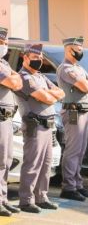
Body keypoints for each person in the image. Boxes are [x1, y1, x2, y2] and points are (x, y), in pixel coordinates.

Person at [16, 43, 65, 213]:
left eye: (41, 58)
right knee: (32, 164)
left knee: (46, 164)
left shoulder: (40, 76)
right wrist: (49, 96)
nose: (39, 60)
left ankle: (41, 197)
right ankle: (26, 200)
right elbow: (47, 98)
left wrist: (49, 95)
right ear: (25, 57)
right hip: (34, 126)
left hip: (48, 125)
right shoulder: (24, 78)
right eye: (35, 57)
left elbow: (61, 93)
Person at [57, 36, 88, 201]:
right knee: (73, 150)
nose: (81, 52)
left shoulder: (79, 68)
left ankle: (77, 184)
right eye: (78, 49)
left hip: (84, 112)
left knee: (81, 150)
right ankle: (68, 187)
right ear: (69, 49)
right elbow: (87, 86)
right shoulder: (66, 69)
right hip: (73, 113)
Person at [0, 27, 22, 216]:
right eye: (1, 43)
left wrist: (13, 78)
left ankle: (3, 199)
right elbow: (14, 83)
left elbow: (18, 80)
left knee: (6, 160)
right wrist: (13, 78)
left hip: (7, 118)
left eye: (5, 43)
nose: (4, 46)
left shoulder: (4, 64)